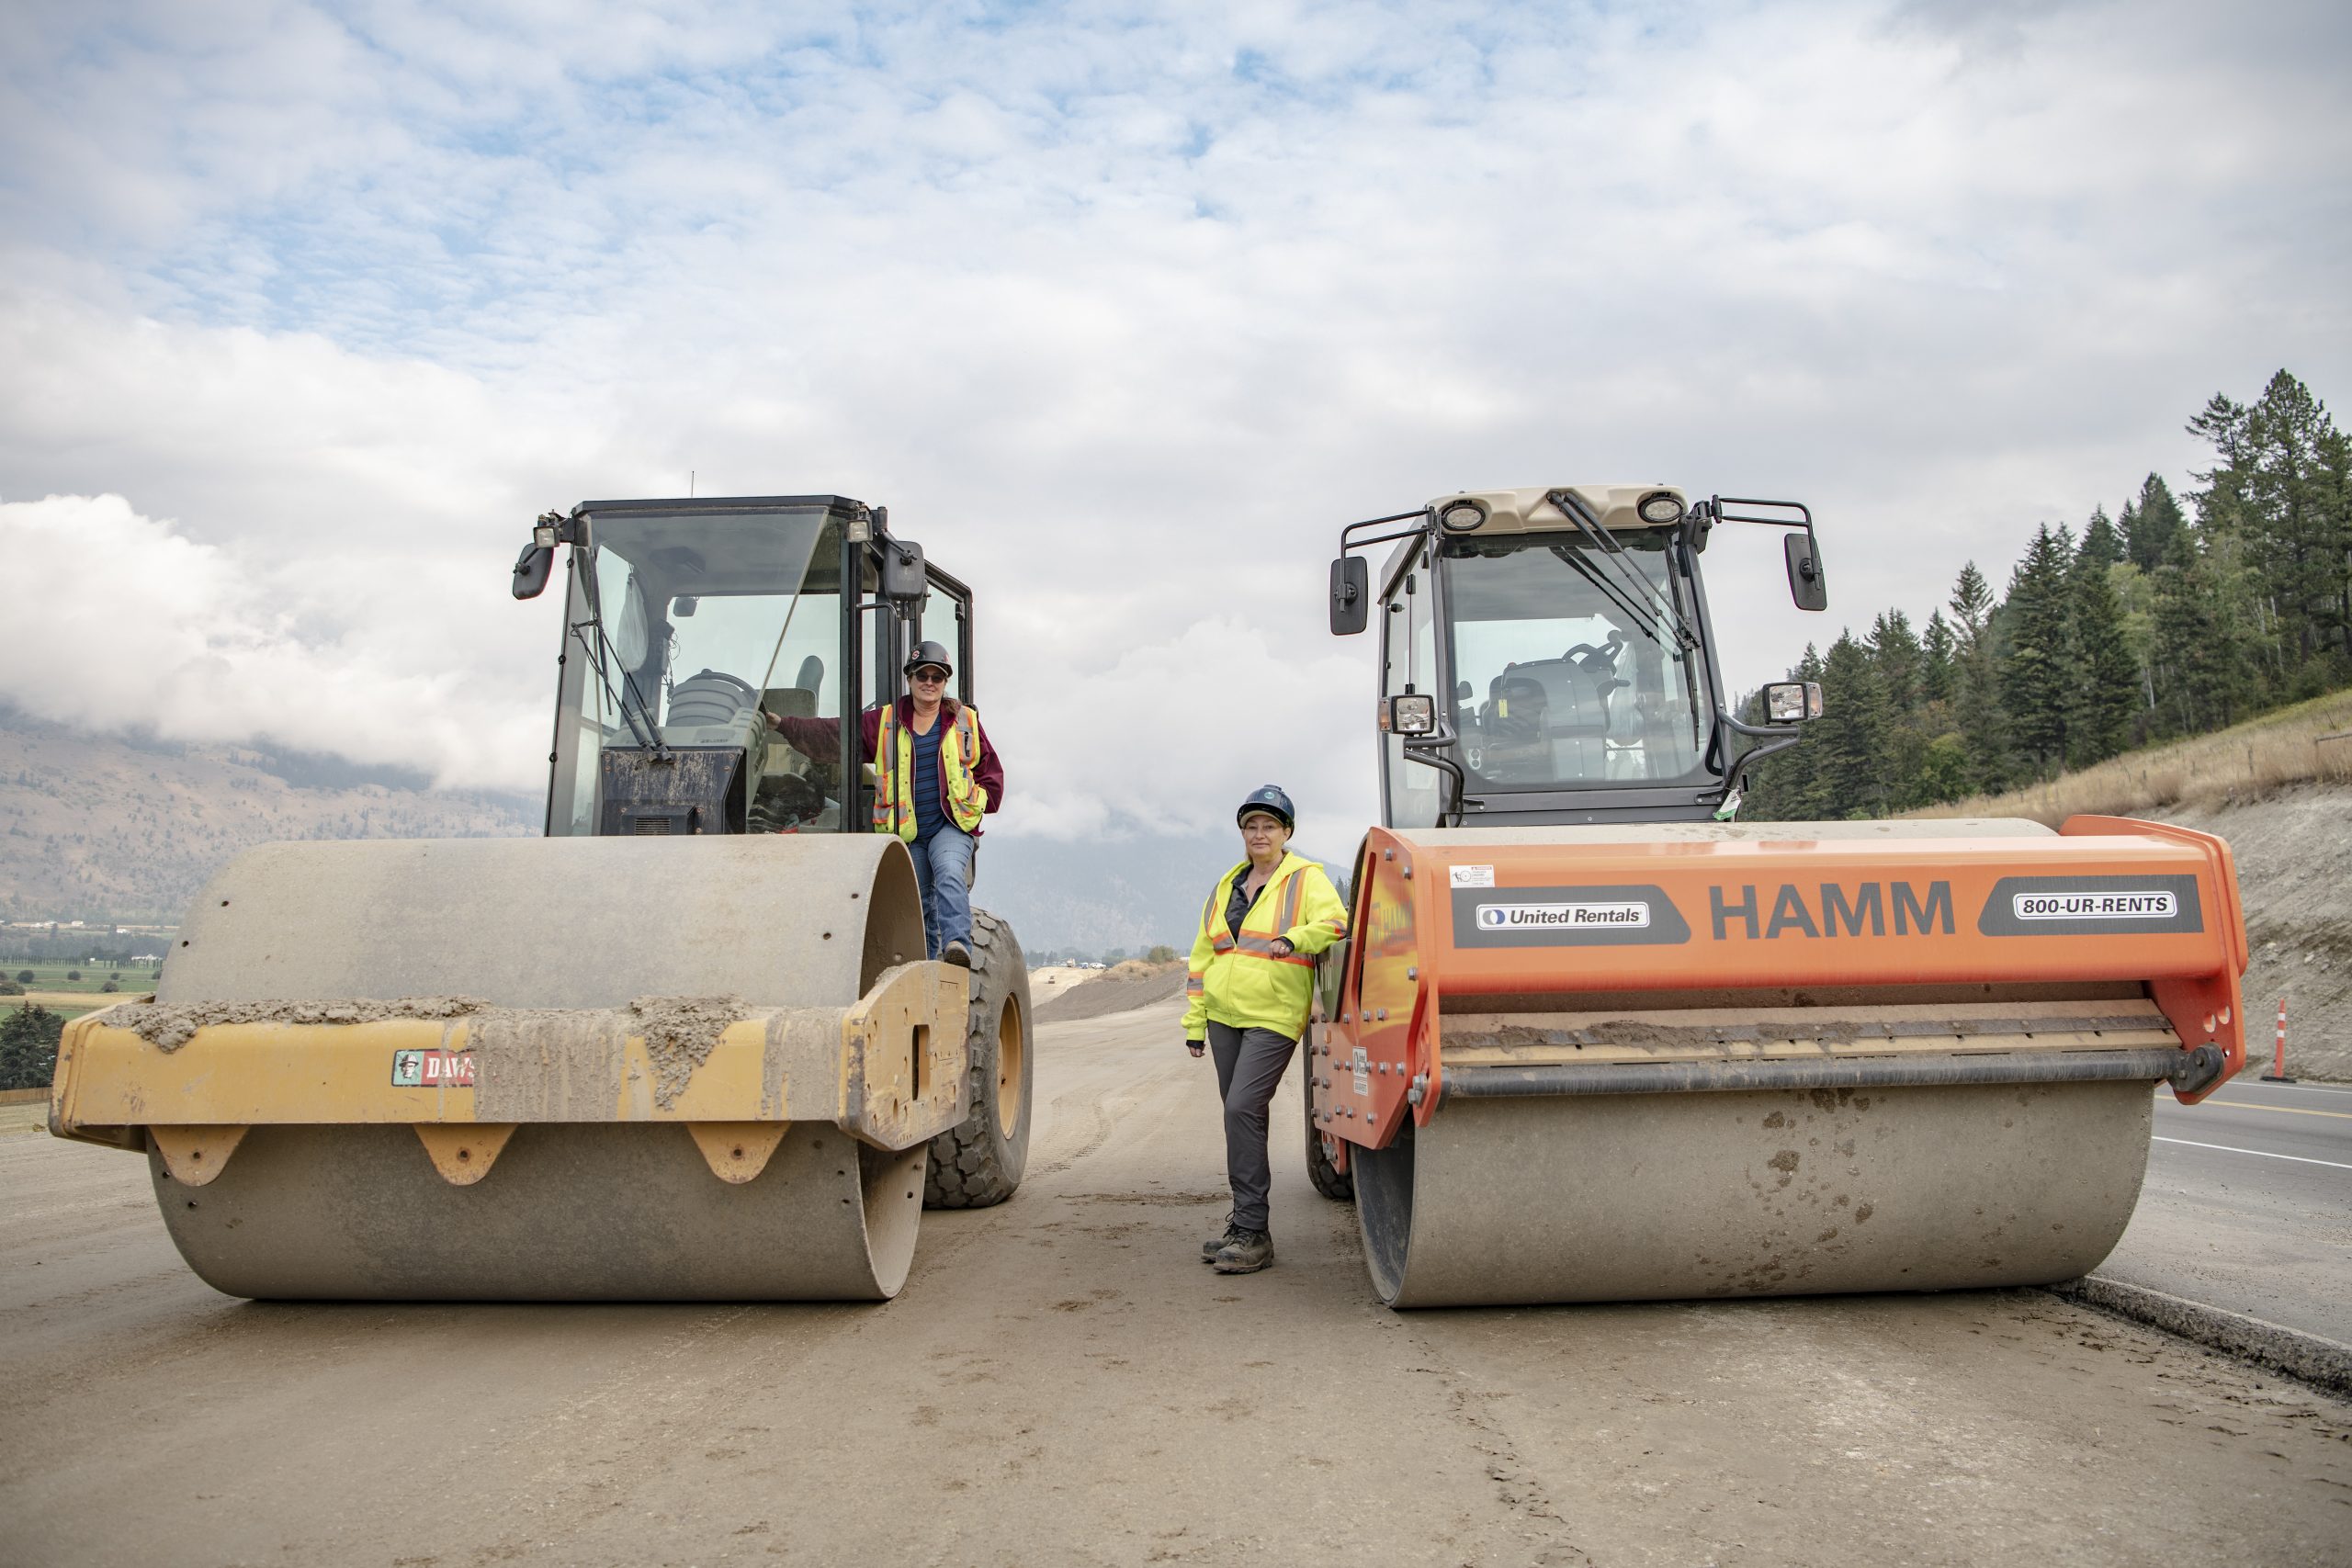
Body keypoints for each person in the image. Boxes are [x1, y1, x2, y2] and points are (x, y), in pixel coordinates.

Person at [1182, 785, 1349, 1275]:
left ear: (1287, 833)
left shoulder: (1306, 880)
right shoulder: (1226, 886)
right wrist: (1195, 1023)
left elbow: (1336, 923)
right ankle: (1244, 1224)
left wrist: (1294, 937)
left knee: (1242, 1107)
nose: (1260, 833)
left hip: (1274, 1014)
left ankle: (1254, 1230)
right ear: (1242, 832)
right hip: (1223, 1017)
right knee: (1241, 1117)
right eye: (1252, 825)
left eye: (1270, 825)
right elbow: (1201, 958)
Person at [766, 639, 1004, 966]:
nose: (930, 683)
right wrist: (784, 725)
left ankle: (957, 947)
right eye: (923, 676)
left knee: (949, 872)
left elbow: (991, 775)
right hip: (908, 831)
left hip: (950, 826)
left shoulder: (964, 722)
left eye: (938, 677)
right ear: (910, 679)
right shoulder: (885, 721)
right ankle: (928, 963)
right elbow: (835, 734)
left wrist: (977, 802)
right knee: (917, 899)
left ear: (946, 682)